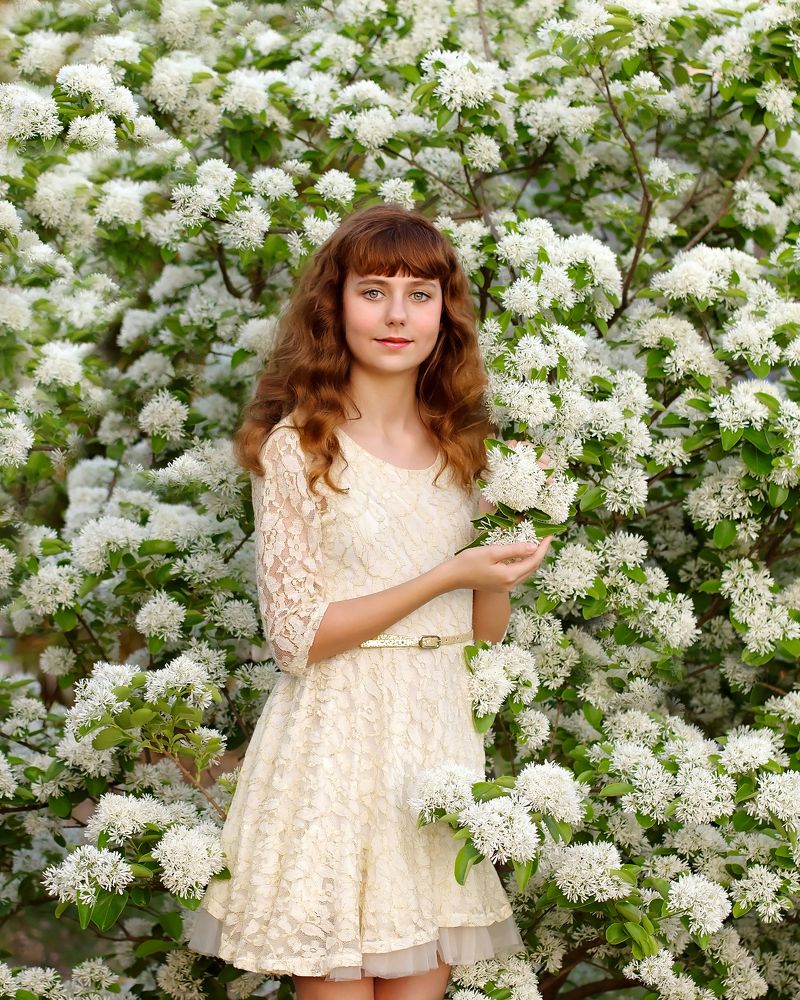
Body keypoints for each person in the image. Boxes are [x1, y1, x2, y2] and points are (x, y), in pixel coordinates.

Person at [187, 204, 552, 999]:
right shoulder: (299, 446)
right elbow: (298, 638)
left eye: (420, 295)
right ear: (334, 305)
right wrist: (449, 575)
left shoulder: (466, 451)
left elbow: (479, 637)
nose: (397, 315)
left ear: (445, 314)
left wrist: (502, 573)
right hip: (335, 745)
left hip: (434, 743)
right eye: (374, 290)